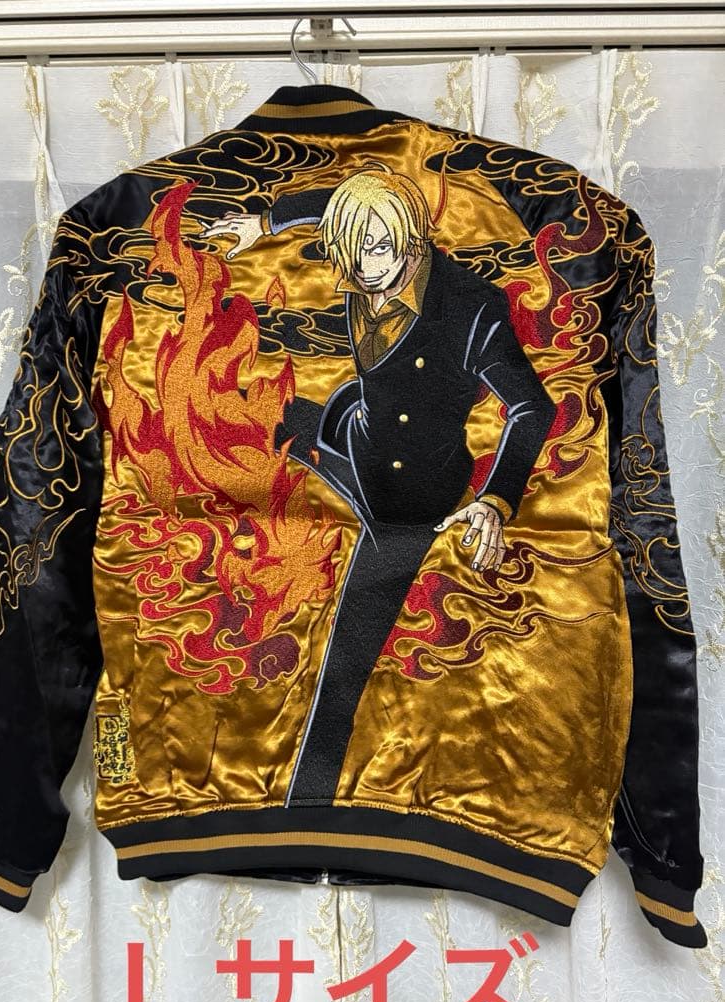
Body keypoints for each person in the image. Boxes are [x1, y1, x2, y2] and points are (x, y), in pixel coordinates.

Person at [198, 165, 557, 806]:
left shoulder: (470, 308)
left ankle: (307, 808)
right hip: (354, 435)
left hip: (411, 499)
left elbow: (533, 408)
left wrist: (496, 500)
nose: (365, 266)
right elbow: (335, 202)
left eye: (380, 247)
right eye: (353, 247)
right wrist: (265, 222)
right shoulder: (364, 252)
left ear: (412, 236)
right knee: (236, 415)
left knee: (345, 663)